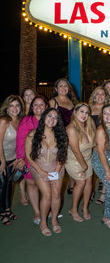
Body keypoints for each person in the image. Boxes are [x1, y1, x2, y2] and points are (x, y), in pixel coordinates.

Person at [25, 108, 68, 236]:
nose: (52, 119)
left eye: (55, 118)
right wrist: (42, 172)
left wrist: (55, 171)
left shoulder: (61, 135)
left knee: (56, 194)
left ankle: (54, 220)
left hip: (57, 167)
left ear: (58, 121)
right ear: (44, 117)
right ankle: (43, 222)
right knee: (47, 195)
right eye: (50, 116)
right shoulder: (32, 135)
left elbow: (62, 155)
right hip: (39, 168)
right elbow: (28, 156)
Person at [16, 95, 48, 224]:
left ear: (46, 106)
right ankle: (37, 211)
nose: (38, 107)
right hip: (29, 159)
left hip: (47, 159)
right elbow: (20, 141)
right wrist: (20, 158)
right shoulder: (26, 120)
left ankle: (47, 209)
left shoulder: (50, 119)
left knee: (47, 186)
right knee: (32, 184)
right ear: (32, 107)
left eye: (41, 104)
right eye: (36, 104)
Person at [65, 103, 95, 222]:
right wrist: (84, 166)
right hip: (74, 160)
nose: (84, 115)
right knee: (81, 183)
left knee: (89, 182)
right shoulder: (71, 128)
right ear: (75, 112)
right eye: (81, 111)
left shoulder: (88, 125)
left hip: (87, 158)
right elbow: (76, 151)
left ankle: (85, 207)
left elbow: (94, 143)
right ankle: (73, 209)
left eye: (87, 112)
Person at [0, 95, 24, 226]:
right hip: (1, 158)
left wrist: (19, 158)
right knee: (2, 185)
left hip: (12, 159)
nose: (15, 108)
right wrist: (2, 161)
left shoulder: (20, 121)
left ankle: (8, 209)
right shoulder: (4, 121)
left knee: (9, 184)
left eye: (17, 105)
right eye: (12, 105)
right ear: (7, 108)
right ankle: (2, 212)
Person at [88, 86, 110, 205]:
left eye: (103, 94)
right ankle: (90, 192)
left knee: (104, 169)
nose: (100, 96)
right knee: (90, 170)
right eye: (98, 94)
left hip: (104, 143)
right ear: (94, 96)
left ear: (106, 97)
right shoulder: (89, 109)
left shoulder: (108, 109)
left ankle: (103, 194)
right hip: (90, 143)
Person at [19, 87, 36, 206]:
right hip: (19, 140)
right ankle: (22, 193)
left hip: (30, 143)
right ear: (23, 97)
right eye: (26, 95)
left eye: (31, 94)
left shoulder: (36, 108)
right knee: (22, 169)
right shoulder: (19, 110)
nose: (29, 97)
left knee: (28, 171)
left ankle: (30, 191)